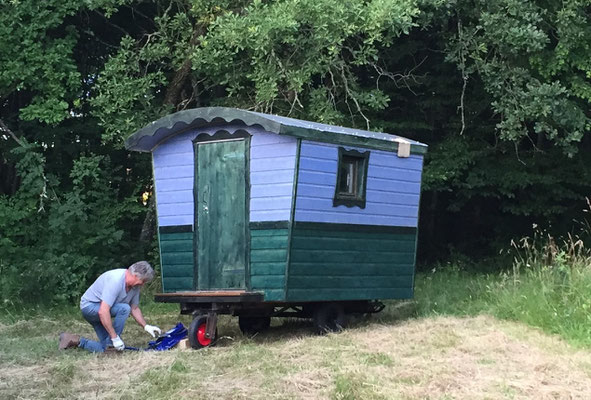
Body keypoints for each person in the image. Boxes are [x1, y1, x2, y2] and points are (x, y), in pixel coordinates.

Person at [58, 261, 162, 352]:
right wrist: (114, 337)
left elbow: (134, 308)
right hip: (90, 307)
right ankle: (112, 343)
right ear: (135, 275)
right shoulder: (116, 280)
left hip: (102, 310)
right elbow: (103, 311)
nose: (142, 284)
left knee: (106, 349)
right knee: (124, 308)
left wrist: (146, 326)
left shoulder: (135, 286)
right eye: (142, 281)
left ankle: (74, 340)